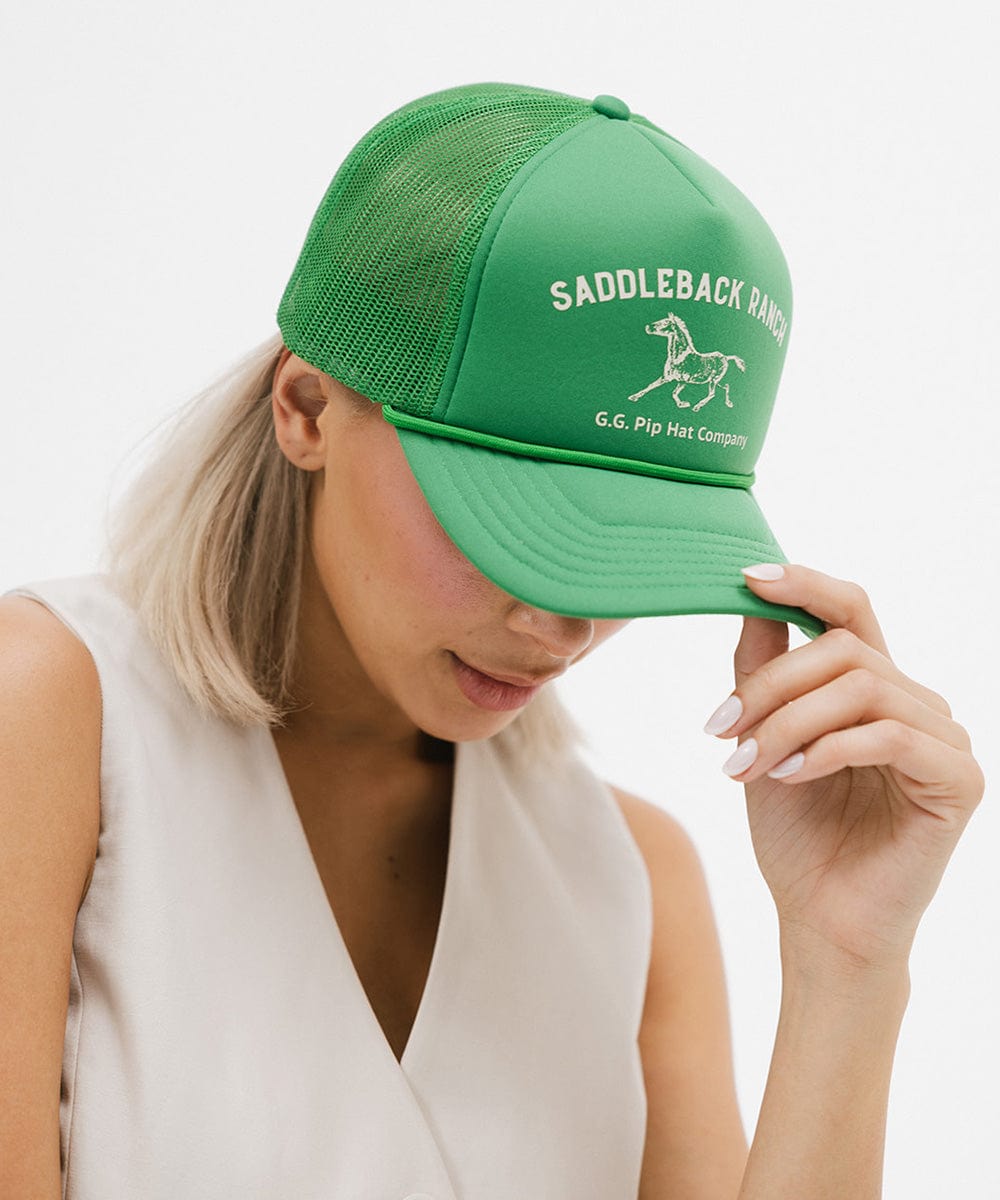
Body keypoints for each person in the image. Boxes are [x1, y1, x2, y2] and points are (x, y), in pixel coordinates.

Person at [0, 81, 984, 1200]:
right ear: (307, 411)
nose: (561, 624)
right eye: (508, 522)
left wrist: (846, 961)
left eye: (622, 549)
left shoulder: (633, 880)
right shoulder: (46, 719)